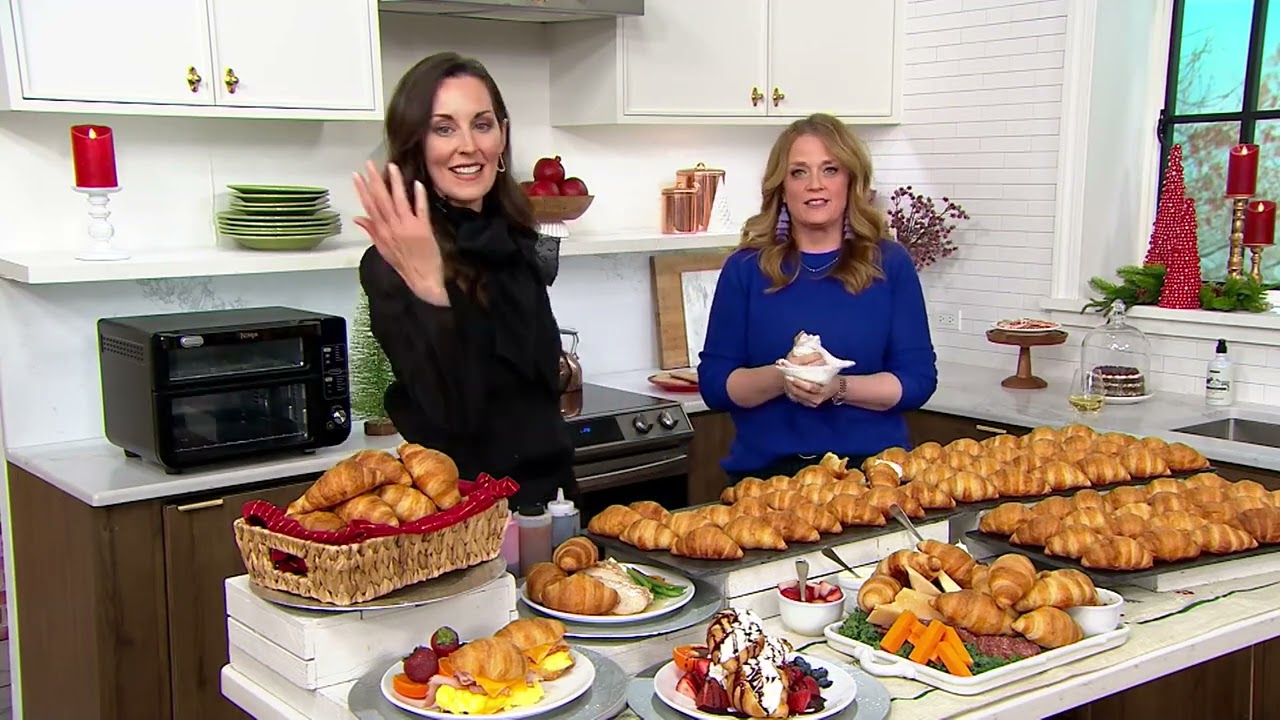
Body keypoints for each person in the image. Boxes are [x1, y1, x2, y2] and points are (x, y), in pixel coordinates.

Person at [353, 52, 574, 508]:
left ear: (502, 135)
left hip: (552, 499)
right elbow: (453, 415)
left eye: (482, 124)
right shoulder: (389, 263)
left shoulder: (515, 242)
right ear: (415, 144)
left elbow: (539, 392)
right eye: (444, 128)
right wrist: (431, 290)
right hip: (462, 514)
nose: (468, 145)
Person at [697, 113, 938, 483]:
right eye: (799, 172)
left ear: (850, 180)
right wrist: (785, 377)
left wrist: (838, 387)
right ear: (782, 187)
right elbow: (715, 385)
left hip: (871, 477)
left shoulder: (890, 264)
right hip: (766, 481)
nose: (815, 185)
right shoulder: (745, 268)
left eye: (830, 170)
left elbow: (917, 380)